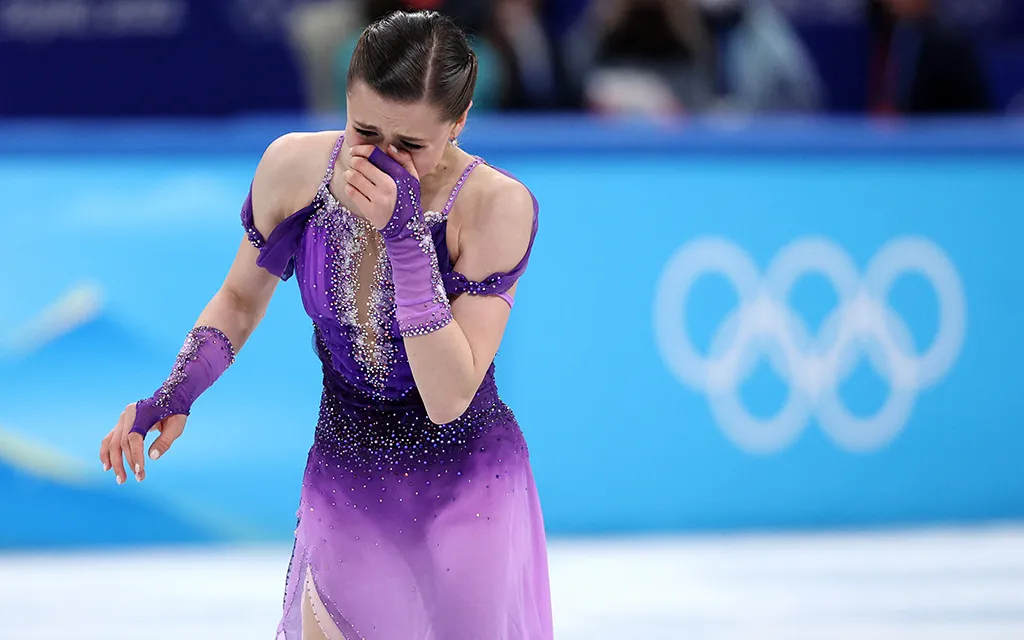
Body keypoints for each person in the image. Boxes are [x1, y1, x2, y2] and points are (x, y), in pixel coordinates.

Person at [98, 10, 553, 640]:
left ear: (459, 123)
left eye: (411, 145)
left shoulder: (494, 205)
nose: (384, 160)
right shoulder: (295, 168)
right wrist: (177, 391)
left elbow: (448, 397)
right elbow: (239, 299)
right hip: (346, 478)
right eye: (366, 131)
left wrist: (406, 241)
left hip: (465, 489)